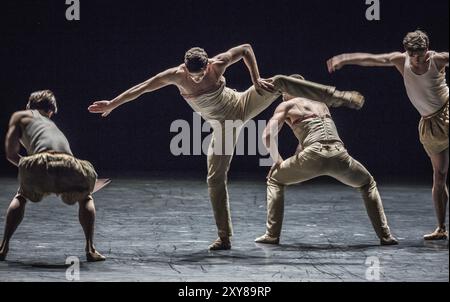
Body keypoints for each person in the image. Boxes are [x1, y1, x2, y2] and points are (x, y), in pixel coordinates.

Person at [89, 44, 365, 250]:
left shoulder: (218, 64)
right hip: (224, 126)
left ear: (208, 64)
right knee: (215, 178)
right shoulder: (176, 75)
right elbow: (143, 87)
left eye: (201, 74)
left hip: (241, 104)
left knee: (280, 80)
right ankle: (224, 237)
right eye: (193, 75)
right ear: (185, 68)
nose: (197, 79)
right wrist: (112, 103)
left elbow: (246, 49)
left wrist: (256, 78)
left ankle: (337, 96)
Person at [327, 30, 449, 240]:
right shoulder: (401, 61)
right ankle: (441, 228)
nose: (417, 60)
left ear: (427, 50)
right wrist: (345, 58)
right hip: (429, 124)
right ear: (407, 52)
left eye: (420, 55)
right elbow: (372, 60)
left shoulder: (438, 59)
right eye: (413, 55)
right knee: (439, 176)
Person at [255, 75, 398, 246]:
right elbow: (307, 140)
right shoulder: (321, 104)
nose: (282, 95)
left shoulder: (287, 105)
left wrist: (277, 161)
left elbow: (267, 135)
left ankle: (272, 235)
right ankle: (386, 236)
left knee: (275, 180)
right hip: (339, 154)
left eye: (284, 91)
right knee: (367, 184)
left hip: (313, 154)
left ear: (292, 89)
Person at [0, 90, 106, 262]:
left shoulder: (19, 116)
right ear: (50, 111)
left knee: (22, 195)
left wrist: (32, 170)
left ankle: (3, 247)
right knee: (86, 198)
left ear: (29, 106)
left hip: (40, 161)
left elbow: (11, 155)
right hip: (70, 165)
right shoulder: (52, 125)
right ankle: (90, 248)